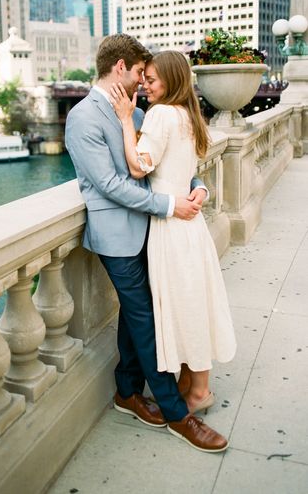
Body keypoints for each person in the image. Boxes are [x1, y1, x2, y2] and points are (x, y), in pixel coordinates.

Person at [65, 34, 228, 453]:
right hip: (118, 236)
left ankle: (127, 392)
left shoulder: (137, 113)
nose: (143, 81)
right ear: (120, 67)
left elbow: (169, 164)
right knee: (145, 320)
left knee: (134, 318)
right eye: (140, 72)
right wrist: (171, 205)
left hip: (155, 231)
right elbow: (110, 185)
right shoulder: (83, 118)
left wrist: (198, 188)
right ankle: (178, 415)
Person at [109, 50, 237, 414]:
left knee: (183, 307)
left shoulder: (162, 114)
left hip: (171, 228)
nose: (145, 85)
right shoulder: (188, 115)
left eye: (151, 79)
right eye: (144, 77)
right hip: (191, 226)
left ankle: (197, 393)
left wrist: (124, 120)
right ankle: (192, 385)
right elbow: (185, 170)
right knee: (195, 303)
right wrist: (201, 190)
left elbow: (138, 168)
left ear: (171, 80)